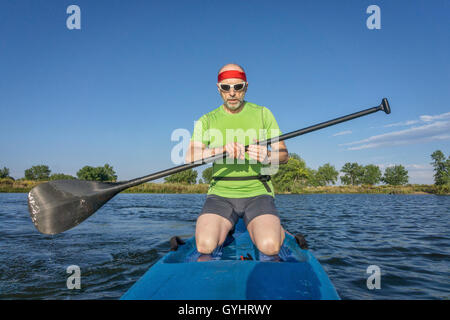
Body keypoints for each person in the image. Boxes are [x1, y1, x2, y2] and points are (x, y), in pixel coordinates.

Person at [186, 63, 289, 260]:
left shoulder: (263, 113)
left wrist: (269, 156)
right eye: (226, 87)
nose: (232, 93)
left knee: (270, 246)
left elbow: (284, 155)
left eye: (238, 87)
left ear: (246, 87)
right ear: (219, 89)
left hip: (258, 192)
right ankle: (228, 228)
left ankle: (274, 227)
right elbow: (190, 156)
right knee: (205, 246)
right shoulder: (206, 120)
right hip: (220, 194)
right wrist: (221, 150)